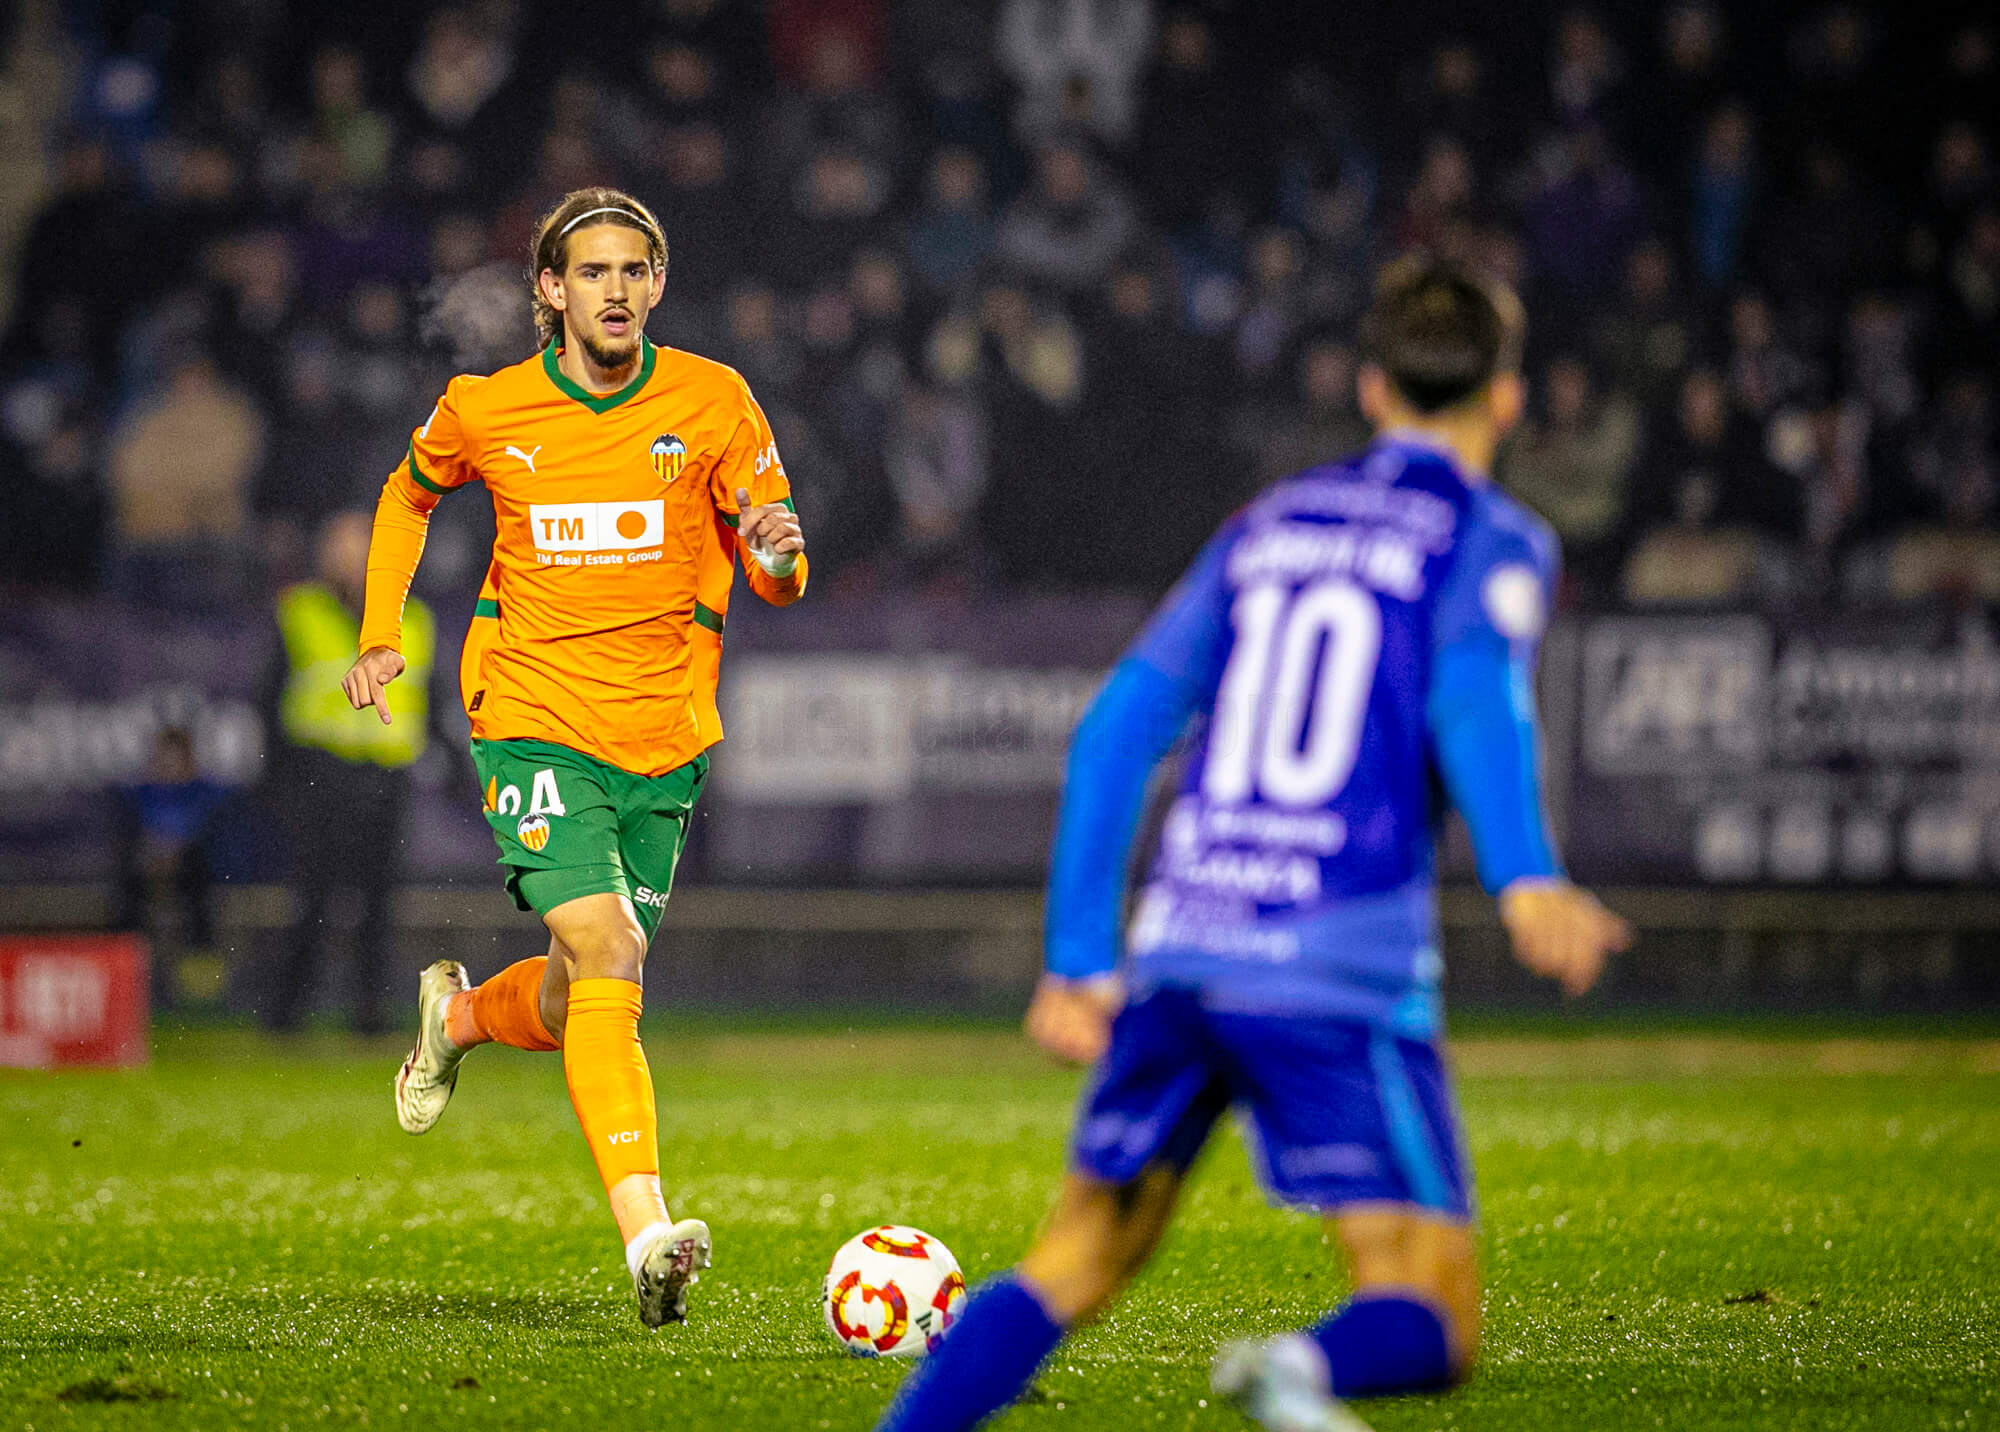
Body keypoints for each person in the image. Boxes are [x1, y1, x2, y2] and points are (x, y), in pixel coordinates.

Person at [875, 257, 1633, 1432]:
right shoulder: (1490, 535)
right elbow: (1474, 696)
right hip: (1333, 962)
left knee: (1070, 1261)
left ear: (1372, 390)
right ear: (1508, 398)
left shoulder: (1267, 523)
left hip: (1183, 940)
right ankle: (1297, 1376)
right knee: (1431, 1313)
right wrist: (1525, 875)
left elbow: (1118, 727)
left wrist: (1080, 954)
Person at [344, 187, 806, 1330]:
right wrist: (377, 634)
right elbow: (408, 495)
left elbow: (775, 569)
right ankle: (648, 1232)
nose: (613, 289)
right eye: (590, 272)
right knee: (613, 948)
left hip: (662, 735)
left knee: (571, 994)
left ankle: (452, 1020)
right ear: (549, 291)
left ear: (656, 285)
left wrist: (780, 556)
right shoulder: (487, 407)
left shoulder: (714, 402)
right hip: (529, 713)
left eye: (633, 271)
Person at [263, 510, 436, 1034]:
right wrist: (274, 779)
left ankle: (370, 1016)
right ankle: (286, 1016)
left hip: (387, 778)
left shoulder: (416, 619)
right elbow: (267, 699)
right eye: (337, 544)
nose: (346, 556)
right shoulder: (300, 611)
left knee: (379, 902)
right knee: (312, 898)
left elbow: (433, 702)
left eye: (357, 545)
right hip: (320, 774)